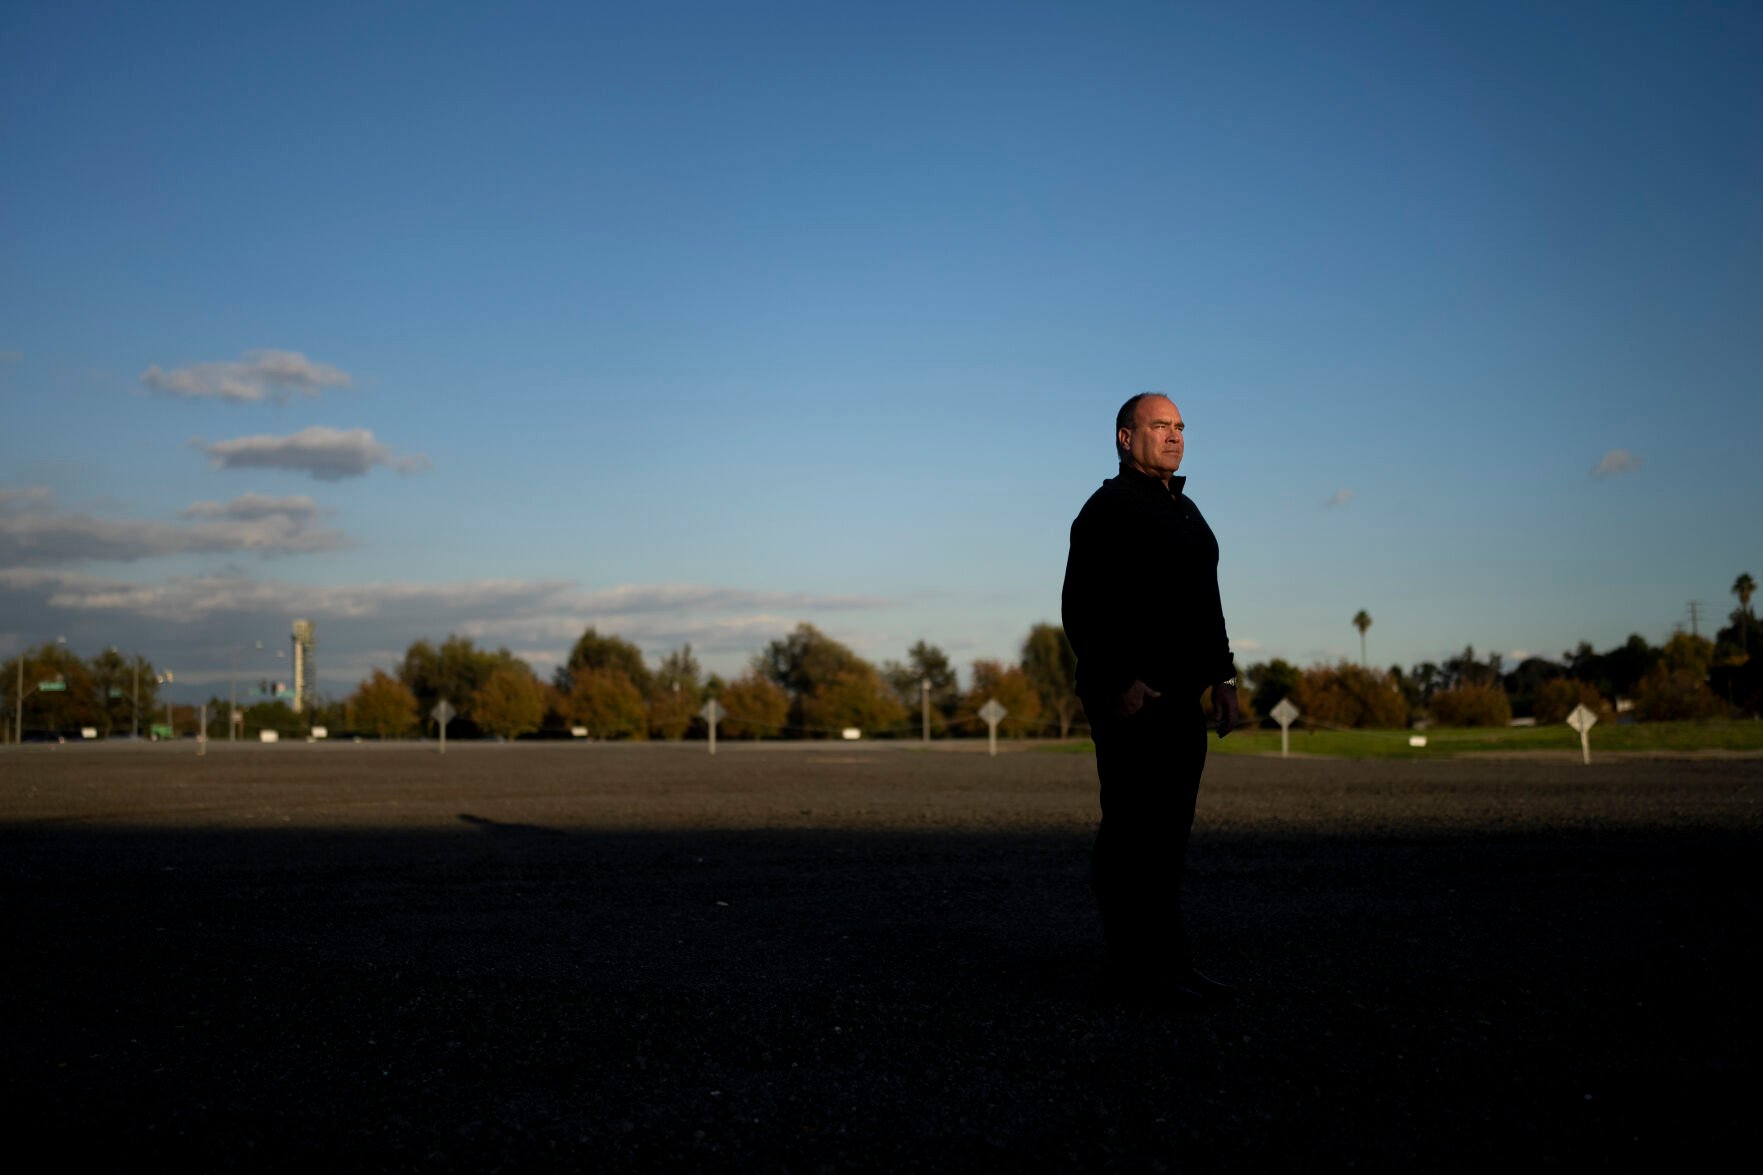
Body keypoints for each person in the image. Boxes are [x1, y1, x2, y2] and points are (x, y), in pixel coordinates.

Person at [1061, 392, 1241, 1003]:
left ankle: (1172, 964)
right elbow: (1081, 607)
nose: (1174, 435)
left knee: (1168, 837)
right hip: (1131, 700)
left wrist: (1223, 679)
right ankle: (1134, 971)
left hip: (1182, 699)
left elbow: (1207, 604)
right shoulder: (1107, 509)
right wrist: (1118, 681)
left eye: (1180, 426)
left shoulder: (1187, 512)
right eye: (1160, 425)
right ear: (1124, 437)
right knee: (1132, 834)